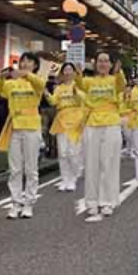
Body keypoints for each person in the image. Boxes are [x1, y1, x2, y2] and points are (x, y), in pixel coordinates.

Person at [0, 53, 47, 219]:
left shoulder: (37, 82)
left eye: (29, 61)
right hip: (14, 127)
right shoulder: (12, 84)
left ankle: (29, 202)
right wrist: (0, 77)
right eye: (22, 61)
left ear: (35, 65)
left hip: (31, 127)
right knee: (15, 169)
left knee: (31, 169)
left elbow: (41, 84)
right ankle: (15, 202)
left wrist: (25, 74)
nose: (24, 64)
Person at [76, 52, 126, 222]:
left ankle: (107, 201)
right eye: (100, 61)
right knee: (91, 164)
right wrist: (77, 72)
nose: (103, 64)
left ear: (111, 64)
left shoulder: (115, 79)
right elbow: (79, 84)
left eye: (106, 61)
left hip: (111, 123)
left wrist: (118, 72)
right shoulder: (89, 81)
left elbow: (121, 85)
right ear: (95, 63)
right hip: (92, 124)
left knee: (109, 163)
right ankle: (91, 202)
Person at [49, 63, 85, 192]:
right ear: (63, 73)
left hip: (75, 121)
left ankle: (73, 177)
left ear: (74, 73)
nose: (68, 72)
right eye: (66, 70)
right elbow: (53, 102)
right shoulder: (59, 88)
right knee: (63, 152)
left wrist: (77, 93)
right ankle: (65, 179)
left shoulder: (79, 85)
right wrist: (46, 93)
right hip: (62, 121)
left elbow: (84, 100)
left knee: (73, 152)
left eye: (70, 70)